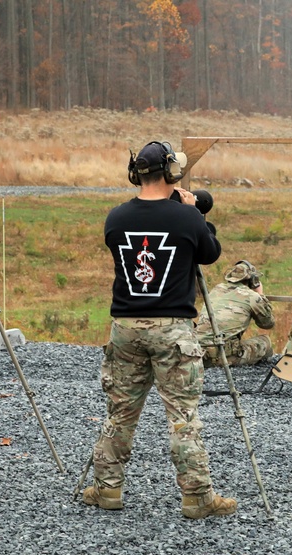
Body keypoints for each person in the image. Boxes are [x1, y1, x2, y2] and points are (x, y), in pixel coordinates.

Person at [82, 140, 237, 520]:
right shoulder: (187, 218)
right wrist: (194, 214)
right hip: (172, 329)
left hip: (126, 327)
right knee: (182, 416)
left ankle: (107, 489)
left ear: (136, 173)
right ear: (171, 173)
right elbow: (210, 253)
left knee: (120, 412)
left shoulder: (115, 218)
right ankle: (197, 497)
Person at [195, 260, 275, 368]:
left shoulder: (217, 289)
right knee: (266, 341)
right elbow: (267, 323)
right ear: (253, 280)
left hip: (199, 355)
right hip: (223, 357)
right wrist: (260, 295)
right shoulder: (252, 296)